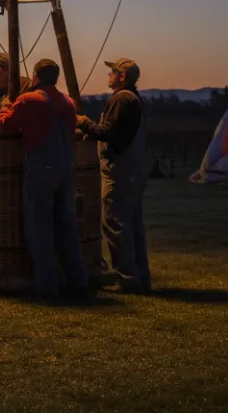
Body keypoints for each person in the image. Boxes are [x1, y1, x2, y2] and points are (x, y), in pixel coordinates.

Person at [0, 58, 89, 297]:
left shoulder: (29, 100)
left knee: (40, 227)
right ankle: (78, 280)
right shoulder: (68, 103)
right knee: (67, 225)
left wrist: (5, 107)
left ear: (35, 76)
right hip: (66, 168)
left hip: (41, 167)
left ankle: (47, 285)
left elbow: (6, 125)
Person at [76, 58, 150, 293]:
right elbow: (116, 134)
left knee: (115, 225)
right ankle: (140, 277)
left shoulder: (121, 99)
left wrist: (84, 122)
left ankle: (126, 278)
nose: (109, 75)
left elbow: (107, 131)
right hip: (133, 170)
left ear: (122, 77)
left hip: (119, 170)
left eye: (113, 72)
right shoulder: (134, 99)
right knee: (133, 227)